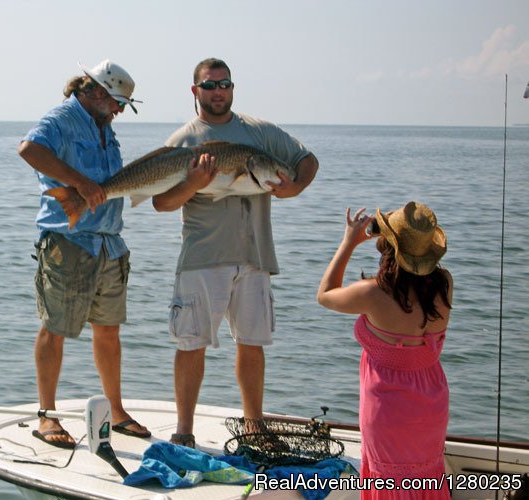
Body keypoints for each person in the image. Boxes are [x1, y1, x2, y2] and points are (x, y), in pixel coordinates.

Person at [153, 57, 319, 448]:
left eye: (224, 84)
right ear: (195, 92)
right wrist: (193, 183)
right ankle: (184, 431)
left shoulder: (259, 133)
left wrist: (294, 188)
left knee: (253, 343)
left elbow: (306, 161)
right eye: (209, 85)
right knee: (191, 343)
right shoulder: (183, 142)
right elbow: (161, 204)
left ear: (232, 87)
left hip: (256, 254)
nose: (218, 91)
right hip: (203, 257)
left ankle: (254, 426)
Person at [18, 60, 150, 448]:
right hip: (68, 242)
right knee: (54, 328)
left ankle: (117, 409)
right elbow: (28, 149)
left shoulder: (103, 125)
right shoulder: (61, 118)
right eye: (116, 102)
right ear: (95, 91)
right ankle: (47, 415)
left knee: (109, 331)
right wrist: (79, 182)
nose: (120, 111)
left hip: (110, 243)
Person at [317, 202, 452, 499]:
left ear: (389, 247)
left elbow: (325, 295)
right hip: (432, 400)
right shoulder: (444, 285)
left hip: (387, 408)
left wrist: (349, 242)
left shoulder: (372, 293)